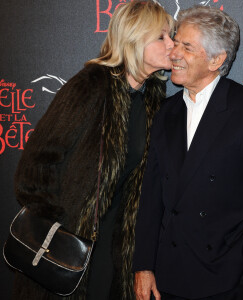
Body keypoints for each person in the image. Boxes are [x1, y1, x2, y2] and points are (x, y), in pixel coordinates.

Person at [133, 5, 243, 300]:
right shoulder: (165, 113)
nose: (174, 53)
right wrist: (144, 264)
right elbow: (152, 195)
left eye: (187, 46)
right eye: (175, 42)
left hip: (228, 281)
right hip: (168, 279)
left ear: (216, 60)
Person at [11, 1, 174, 300]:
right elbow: (35, 166)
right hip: (67, 244)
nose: (171, 44)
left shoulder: (153, 98)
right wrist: (59, 226)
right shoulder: (90, 86)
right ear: (134, 39)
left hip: (114, 248)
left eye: (171, 35)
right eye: (162, 36)